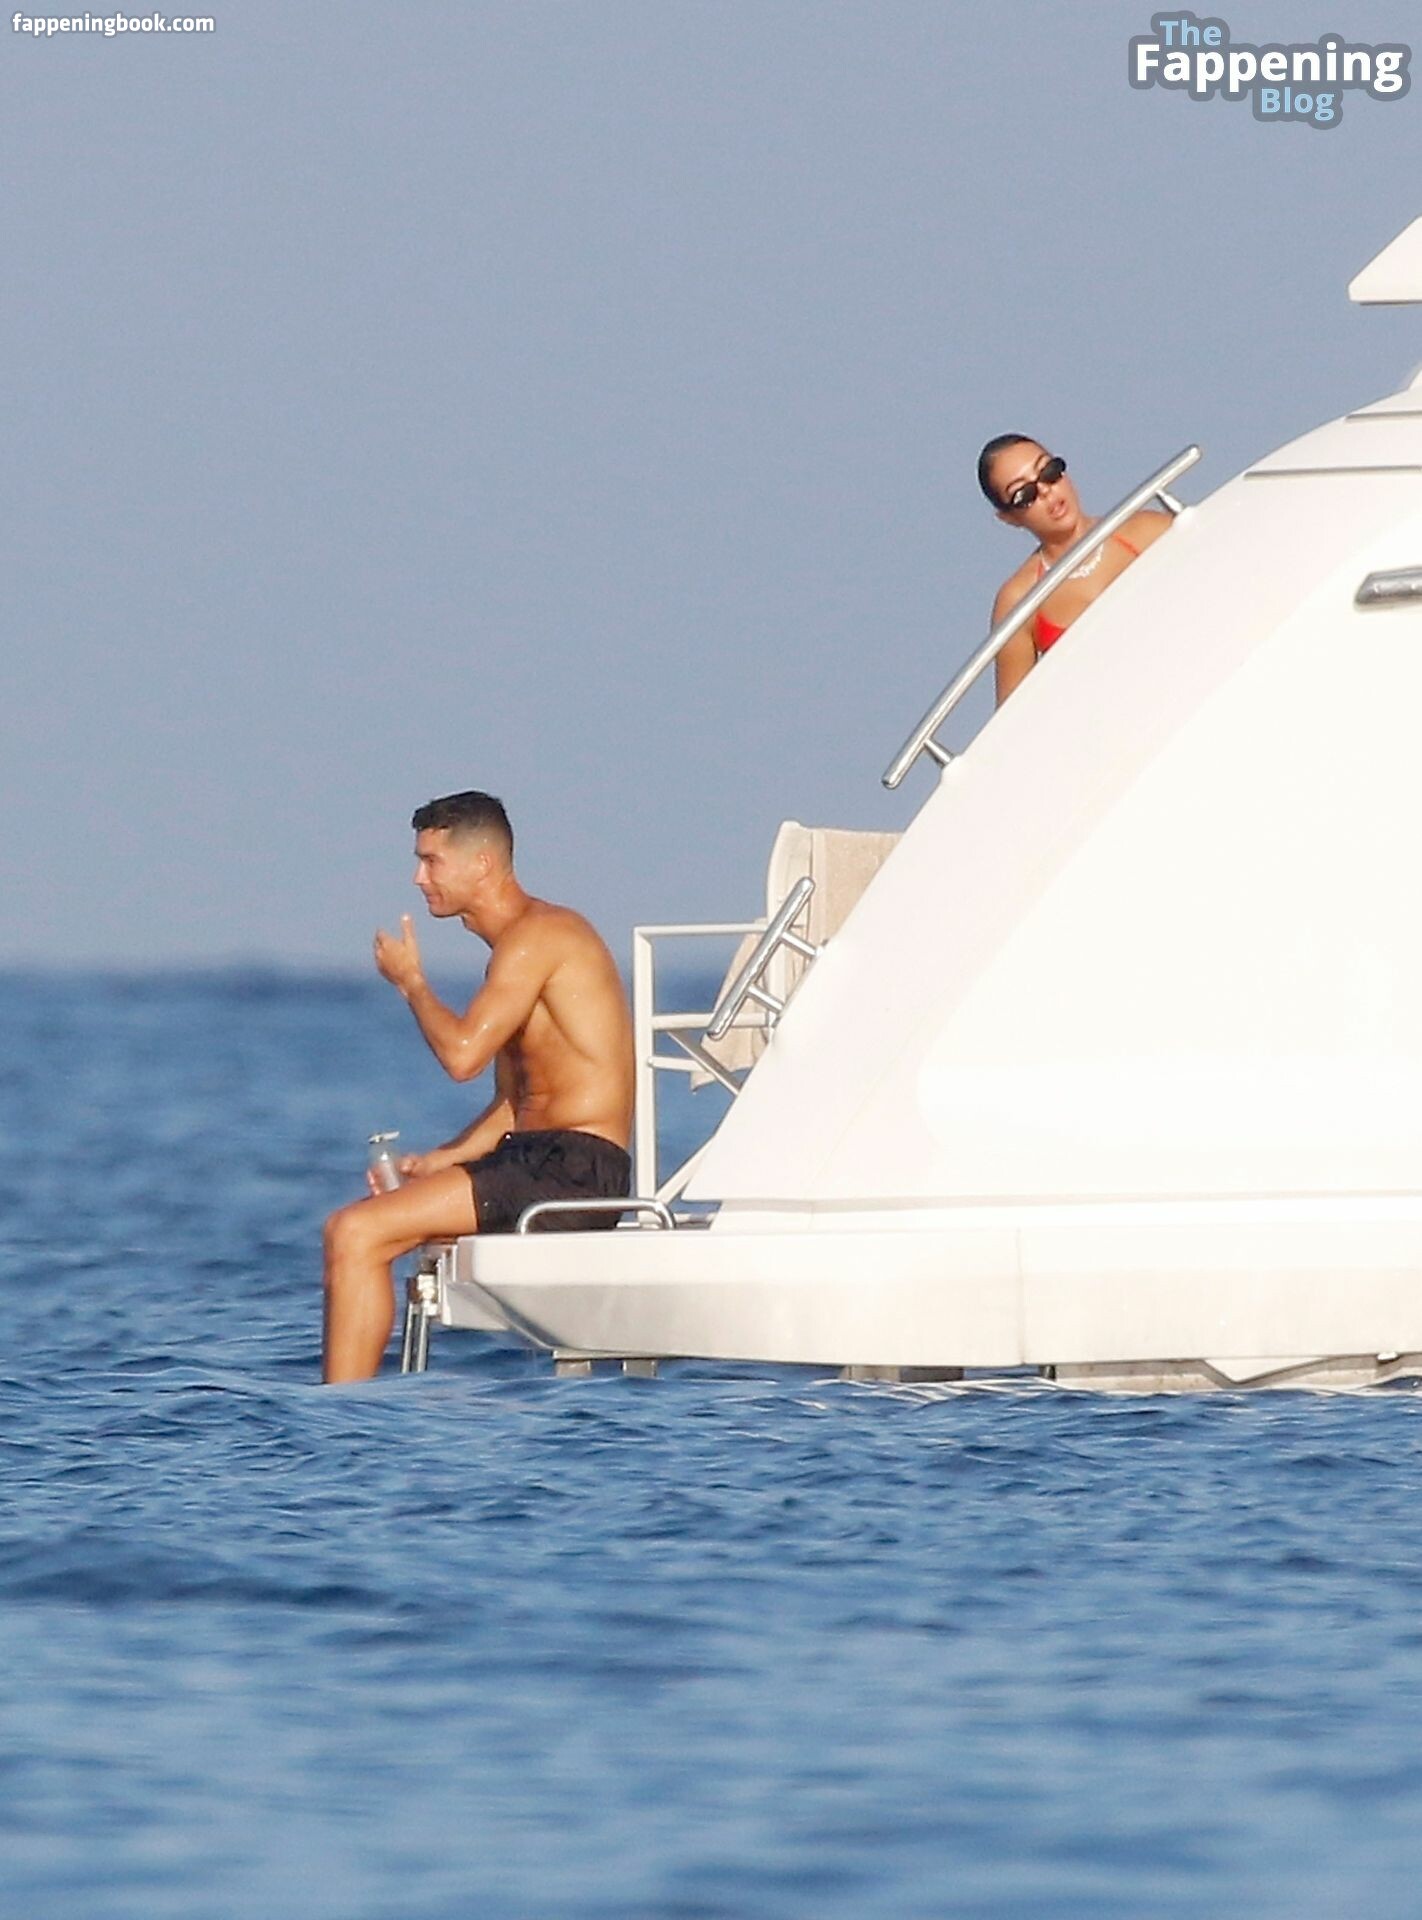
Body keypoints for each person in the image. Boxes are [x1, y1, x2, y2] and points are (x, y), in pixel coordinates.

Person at [322, 790, 635, 1383]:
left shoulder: (539, 936)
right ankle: (351, 1405)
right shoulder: (517, 947)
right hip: (533, 1158)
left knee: (354, 1232)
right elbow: (516, 1103)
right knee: (364, 1227)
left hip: (575, 1169)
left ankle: (339, 1418)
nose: (418, 879)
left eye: (431, 862)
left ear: (482, 864)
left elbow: (463, 1057)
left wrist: (413, 985)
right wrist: (438, 1161)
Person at [979, 435, 1173, 706]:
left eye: (1049, 472)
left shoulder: (1147, 530)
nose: (1046, 491)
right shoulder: (1020, 599)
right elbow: (1013, 718)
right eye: (1025, 495)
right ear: (1009, 518)